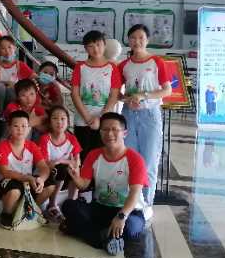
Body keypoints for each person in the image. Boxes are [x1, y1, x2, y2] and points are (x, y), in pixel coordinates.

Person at [61, 112, 148, 256]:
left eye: (114, 129)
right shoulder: (94, 155)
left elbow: (135, 193)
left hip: (128, 211)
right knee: (68, 206)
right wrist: (75, 176)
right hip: (100, 208)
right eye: (105, 129)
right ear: (100, 132)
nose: (109, 134)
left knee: (131, 228)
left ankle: (86, 232)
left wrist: (121, 216)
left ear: (124, 133)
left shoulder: (135, 159)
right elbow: (83, 185)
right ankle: (105, 238)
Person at [119, 24, 172, 220]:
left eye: (141, 37)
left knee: (149, 160)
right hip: (128, 115)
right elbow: (117, 94)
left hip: (150, 115)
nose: (137, 41)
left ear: (147, 40)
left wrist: (144, 95)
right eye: (133, 37)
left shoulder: (156, 62)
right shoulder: (123, 65)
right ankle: (132, 201)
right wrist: (127, 99)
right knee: (130, 159)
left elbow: (167, 90)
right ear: (128, 40)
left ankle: (147, 203)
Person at [0, 111, 55, 229]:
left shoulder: (32, 146)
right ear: (9, 128)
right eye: (16, 126)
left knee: (50, 185)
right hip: (8, 181)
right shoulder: (2, 146)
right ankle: (6, 215)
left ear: (29, 128)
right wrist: (28, 178)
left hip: (27, 182)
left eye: (24, 126)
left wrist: (41, 179)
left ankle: (31, 210)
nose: (20, 129)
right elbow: (5, 172)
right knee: (15, 190)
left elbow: (44, 168)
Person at [71, 30, 123, 164]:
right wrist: (88, 118)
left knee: (102, 156)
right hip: (82, 120)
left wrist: (101, 117)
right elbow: (75, 94)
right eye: (91, 46)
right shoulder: (80, 67)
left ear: (104, 45)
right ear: (85, 48)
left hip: (104, 121)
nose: (95, 49)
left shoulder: (112, 67)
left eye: (98, 44)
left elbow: (114, 95)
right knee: (83, 156)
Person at [38, 106, 81, 221]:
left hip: (65, 174)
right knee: (62, 169)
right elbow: (46, 164)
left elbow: (77, 162)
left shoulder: (72, 139)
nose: (59, 122)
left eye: (63, 118)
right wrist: (64, 162)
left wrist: (59, 161)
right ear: (49, 122)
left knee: (74, 170)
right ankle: (52, 205)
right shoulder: (45, 139)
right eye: (55, 118)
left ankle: (72, 205)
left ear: (68, 121)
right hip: (47, 175)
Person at [0, 36, 35, 112]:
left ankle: (10, 111)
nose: (7, 51)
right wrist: (9, 83)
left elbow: (34, 76)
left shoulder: (20, 64)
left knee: (12, 89)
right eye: (3, 48)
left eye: (9, 47)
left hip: (14, 95)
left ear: (15, 48)